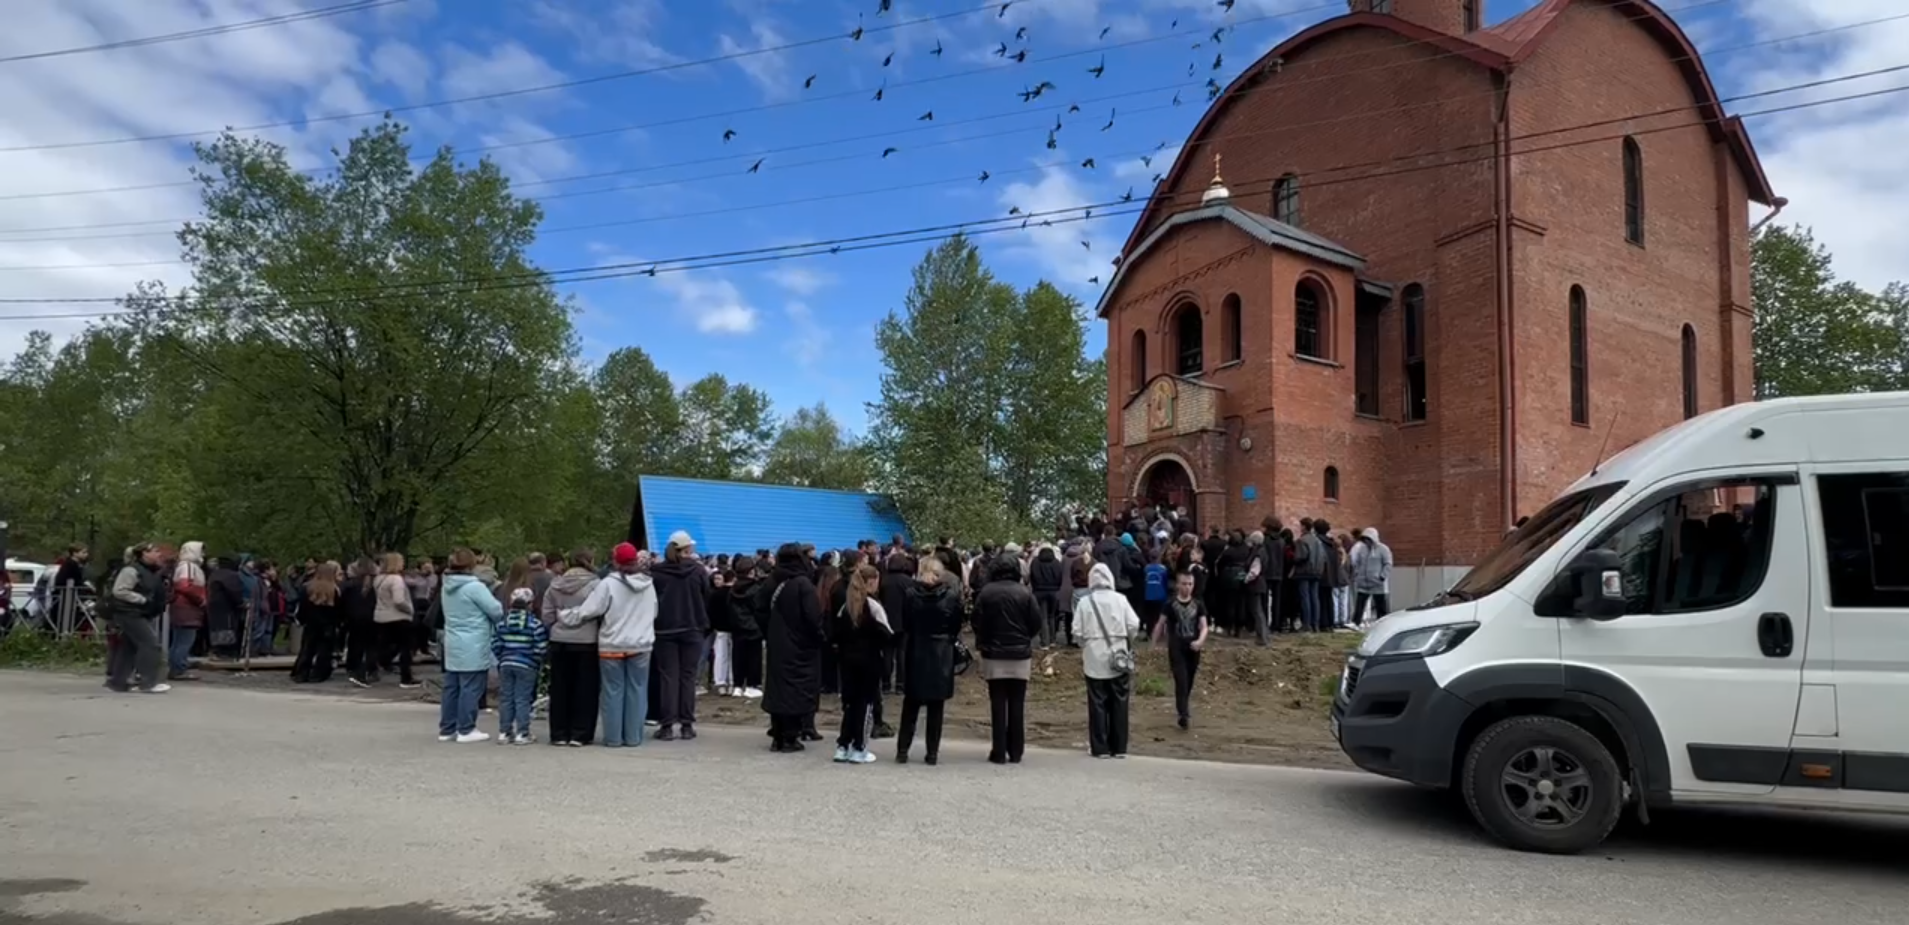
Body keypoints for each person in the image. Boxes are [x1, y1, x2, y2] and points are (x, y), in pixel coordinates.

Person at [557, 543, 657, 748]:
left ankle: (613, 738)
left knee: (612, 691)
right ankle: (633, 737)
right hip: (641, 645)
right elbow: (654, 612)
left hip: (612, 645)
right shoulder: (648, 585)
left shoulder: (608, 584)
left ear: (615, 561)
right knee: (637, 690)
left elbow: (589, 610)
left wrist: (565, 616)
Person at [971, 551, 1042, 765]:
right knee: (1017, 703)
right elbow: (1036, 623)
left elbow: (976, 621)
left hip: (994, 653)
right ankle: (1016, 751)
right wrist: (1024, 638)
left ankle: (999, 750)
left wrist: (985, 640)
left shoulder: (986, 593)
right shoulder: (1025, 593)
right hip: (1020, 653)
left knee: (997, 702)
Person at [896, 556, 961, 765]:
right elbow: (956, 624)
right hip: (941, 653)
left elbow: (906, 622)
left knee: (910, 705)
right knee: (936, 707)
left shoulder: (910, 595)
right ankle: (932, 753)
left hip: (917, 649)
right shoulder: (951, 596)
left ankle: (902, 750)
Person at [761, 543, 824, 753]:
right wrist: (819, 638)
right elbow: (813, 617)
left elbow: (758, 608)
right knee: (798, 689)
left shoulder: (771, 582)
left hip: (777, 643)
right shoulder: (803, 584)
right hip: (801, 646)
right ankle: (791, 736)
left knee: (778, 688)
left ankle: (777, 735)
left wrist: (770, 631)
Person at [1074, 562, 1140, 758]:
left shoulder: (1085, 602)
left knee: (1097, 702)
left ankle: (1100, 747)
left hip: (1093, 657)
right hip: (1118, 655)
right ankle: (1119, 747)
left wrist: (1085, 644)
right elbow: (1134, 624)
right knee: (1120, 701)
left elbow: (1077, 631)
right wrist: (1126, 641)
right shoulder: (1121, 599)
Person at [649, 531, 711, 741]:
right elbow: (707, 597)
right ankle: (687, 724)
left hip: (665, 629)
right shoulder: (698, 571)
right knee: (688, 677)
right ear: (688, 549)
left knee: (668, 677)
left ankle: (667, 725)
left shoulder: (657, 572)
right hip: (692, 627)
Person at [830, 563, 893, 764]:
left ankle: (843, 745)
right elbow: (887, 634)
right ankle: (860, 747)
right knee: (865, 705)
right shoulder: (873, 607)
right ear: (872, 582)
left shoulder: (845, 607)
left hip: (847, 662)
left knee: (850, 704)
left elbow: (836, 634)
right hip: (869, 662)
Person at [438, 548, 501, 743]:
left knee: (452, 686)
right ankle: (466, 728)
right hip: (474, 640)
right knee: (471, 686)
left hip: (452, 639)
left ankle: (447, 728)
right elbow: (496, 610)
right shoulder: (475, 587)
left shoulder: (446, 585)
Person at [541, 547, 603, 747]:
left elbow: (547, 615)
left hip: (559, 640)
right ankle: (580, 733)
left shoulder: (555, 585)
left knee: (560, 688)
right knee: (585, 688)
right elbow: (602, 611)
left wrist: (557, 625)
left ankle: (559, 733)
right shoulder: (596, 585)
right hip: (587, 640)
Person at [104, 543, 170, 694]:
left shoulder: (149, 570)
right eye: (155, 551)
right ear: (144, 554)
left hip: (137, 612)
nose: (159, 554)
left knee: (129, 647)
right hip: (129, 612)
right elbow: (120, 591)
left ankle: (118, 682)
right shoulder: (131, 570)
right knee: (150, 644)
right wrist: (142, 600)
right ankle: (148, 682)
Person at [1152, 570, 1210, 729]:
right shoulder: (1170, 604)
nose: (1187, 587)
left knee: (1189, 680)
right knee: (1181, 680)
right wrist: (1154, 643)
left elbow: (1204, 626)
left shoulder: (1198, 604)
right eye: (1184, 584)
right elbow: (1160, 623)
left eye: (1190, 584)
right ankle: (1183, 714)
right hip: (1176, 647)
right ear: (1178, 585)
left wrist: (1200, 641)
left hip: (1193, 648)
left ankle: (1183, 707)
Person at [493, 587, 550, 745]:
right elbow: (541, 647)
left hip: (506, 664)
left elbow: (495, 644)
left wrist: (502, 657)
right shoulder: (534, 624)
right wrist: (536, 660)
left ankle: (504, 732)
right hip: (527, 665)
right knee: (522, 699)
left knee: (506, 698)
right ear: (530, 605)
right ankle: (522, 733)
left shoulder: (502, 623)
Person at [373, 552, 419, 688]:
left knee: (386, 644)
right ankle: (406, 677)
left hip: (381, 615)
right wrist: (409, 609)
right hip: (398, 616)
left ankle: (376, 665)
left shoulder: (379, 579)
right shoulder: (396, 579)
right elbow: (398, 600)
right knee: (406, 647)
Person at [292, 562, 342, 683]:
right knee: (324, 651)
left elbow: (302, 606)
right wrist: (337, 623)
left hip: (311, 624)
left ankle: (301, 673)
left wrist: (301, 619)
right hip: (328, 625)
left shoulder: (307, 588)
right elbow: (339, 610)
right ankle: (319, 674)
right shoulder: (334, 590)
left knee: (307, 649)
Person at [167, 541, 208, 681]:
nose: (203, 554)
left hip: (183, 607)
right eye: (201, 551)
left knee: (179, 640)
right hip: (187, 607)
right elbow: (184, 586)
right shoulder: (188, 566)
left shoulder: (185, 566)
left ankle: (176, 667)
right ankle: (179, 669)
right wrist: (200, 600)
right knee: (184, 640)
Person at [343, 559, 380, 687]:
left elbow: (344, 603)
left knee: (355, 644)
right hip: (372, 617)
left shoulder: (350, 585)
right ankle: (371, 669)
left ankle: (354, 668)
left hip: (354, 618)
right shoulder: (376, 585)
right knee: (371, 645)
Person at [1352, 528, 1394, 627]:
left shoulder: (1383, 549)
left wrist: (1382, 576)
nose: (1366, 541)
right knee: (1359, 604)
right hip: (1363, 582)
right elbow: (1357, 562)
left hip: (1378, 583)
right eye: (1364, 539)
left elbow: (1388, 564)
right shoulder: (1362, 549)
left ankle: (1383, 624)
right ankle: (1356, 622)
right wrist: (1357, 574)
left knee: (1381, 606)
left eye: (1368, 539)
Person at [1029, 543, 1065, 648]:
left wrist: (1035, 587)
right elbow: (1060, 577)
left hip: (1039, 591)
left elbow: (1032, 576)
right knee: (1052, 616)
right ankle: (1053, 640)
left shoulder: (1035, 562)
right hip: (1053, 591)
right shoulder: (1056, 562)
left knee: (1043, 617)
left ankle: (1044, 642)